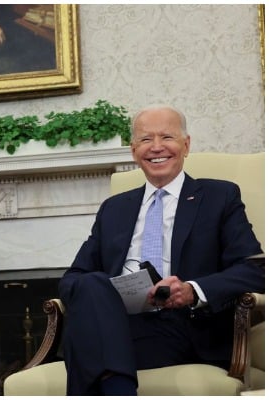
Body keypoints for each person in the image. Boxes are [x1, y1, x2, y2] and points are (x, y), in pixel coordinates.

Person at [58, 105, 265, 395]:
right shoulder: (114, 208)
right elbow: (71, 278)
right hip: (120, 320)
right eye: (145, 140)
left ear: (186, 144)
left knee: (89, 341)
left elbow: (255, 270)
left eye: (167, 136)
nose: (156, 148)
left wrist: (192, 290)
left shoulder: (220, 196)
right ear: (133, 151)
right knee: (90, 283)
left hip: (184, 326)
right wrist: (109, 293)